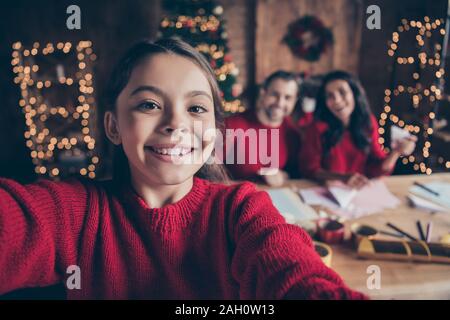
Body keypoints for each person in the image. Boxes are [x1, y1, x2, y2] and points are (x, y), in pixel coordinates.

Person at [0, 39, 366, 299]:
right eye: (148, 104)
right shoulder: (73, 212)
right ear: (113, 126)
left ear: (213, 131)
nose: (176, 123)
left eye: (196, 108)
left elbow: (293, 274)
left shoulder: (240, 209)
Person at [299, 70, 416, 188]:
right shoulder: (317, 127)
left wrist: (397, 152)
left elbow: (377, 167)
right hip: (325, 191)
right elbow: (309, 169)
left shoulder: (368, 122)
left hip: (358, 191)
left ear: (354, 93)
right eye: (330, 96)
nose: (337, 100)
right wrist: (343, 178)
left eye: (342, 92)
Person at [224, 71, 301, 187]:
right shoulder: (232, 125)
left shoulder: (292, 133)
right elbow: (210, 172)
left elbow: (295, 172)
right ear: (263, 93)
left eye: (288, 98)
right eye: (275, 94)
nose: (280, 103)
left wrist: (283, 176)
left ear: (295, 101)